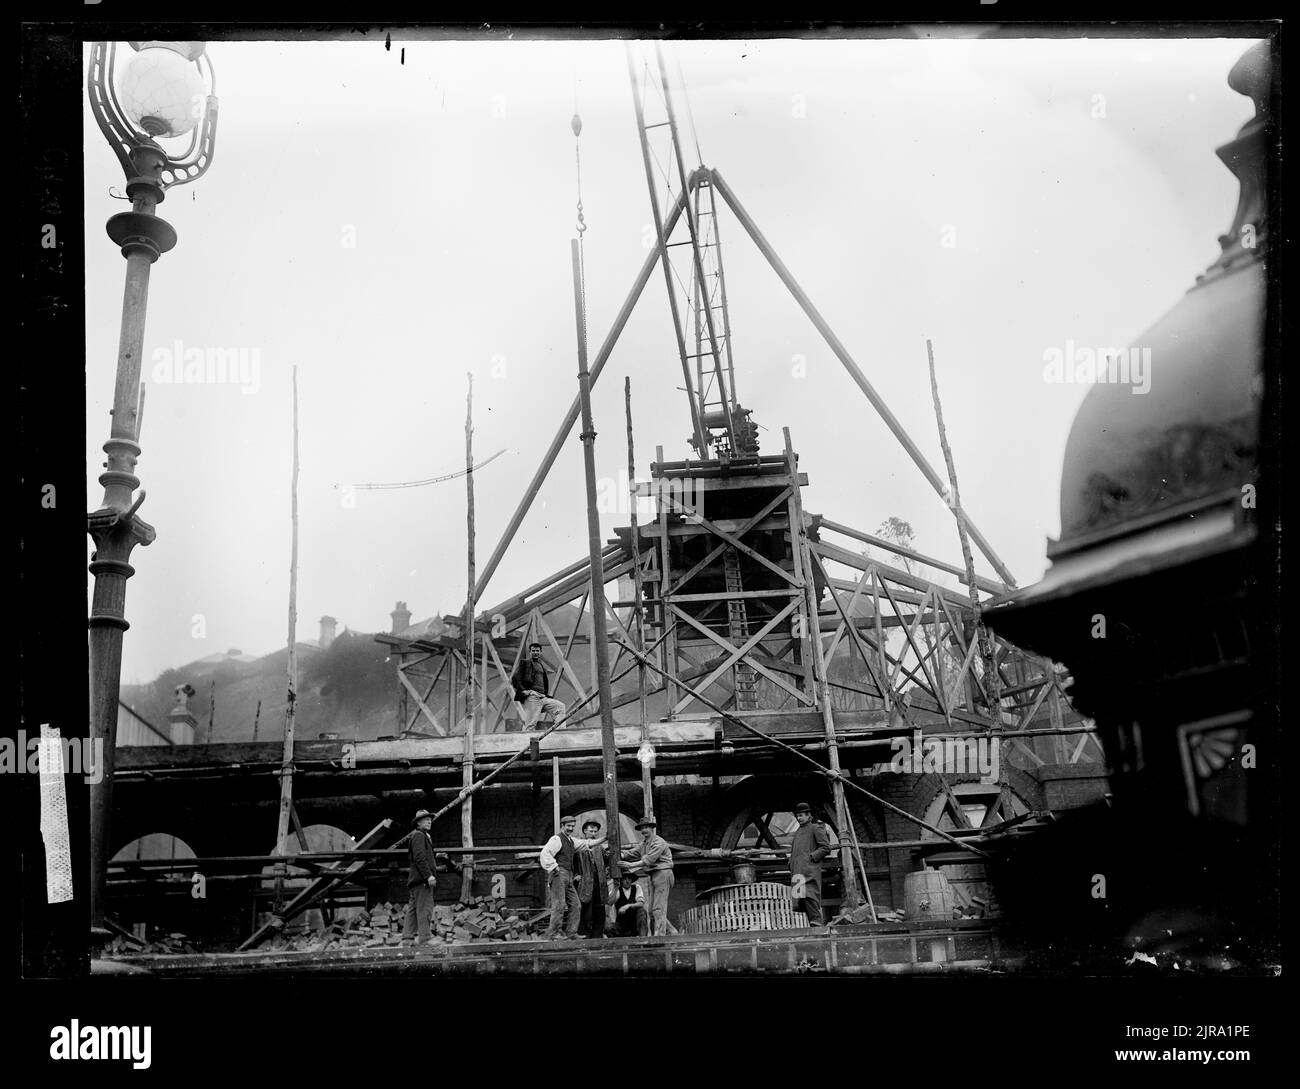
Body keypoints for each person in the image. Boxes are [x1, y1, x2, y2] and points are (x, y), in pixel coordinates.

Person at [538, 813, 605, 940]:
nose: (570, 828)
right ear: (562, 826)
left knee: (576, 904)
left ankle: (571, 932)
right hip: (559, 874)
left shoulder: (571, 841)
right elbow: (545, 853)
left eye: (572, 826)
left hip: (568, 875)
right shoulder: (556, 839)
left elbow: (587, 843)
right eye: (568, 826)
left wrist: (604, 838)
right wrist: (553, 866)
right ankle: (553, 933)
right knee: (559, 905)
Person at [621, 815, 675, 935]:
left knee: (658, 908)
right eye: (642, 828)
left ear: (651, 828)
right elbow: (632, 853)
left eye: (646, 827)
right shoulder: (644, 844)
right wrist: (620, 854)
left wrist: (631, 866)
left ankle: (660, 936)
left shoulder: (658, 842)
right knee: (651, 910)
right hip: (653, 875)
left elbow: (649, 860)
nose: (644, 830)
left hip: (663, 873)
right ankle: (672, 931)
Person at [789, 801, 832, 927]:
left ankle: (817, 923)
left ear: (809, 815)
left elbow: (825, 847)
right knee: (801, 899)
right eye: (797, 815)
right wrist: (791, 863)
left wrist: (811, 857)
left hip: (809, 869)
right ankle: (813, 924)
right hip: (797, 870)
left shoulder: (815, 828)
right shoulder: (797, 832)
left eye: (801, 815)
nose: (799, 818)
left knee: (809, 895)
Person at [402, 809, 439, 943]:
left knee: (413, 909)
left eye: (430, 819)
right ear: (418, 822)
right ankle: (425, 938)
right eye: (425, 819)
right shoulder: (419, 835)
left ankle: (407, 937)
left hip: (416, 880)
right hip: (422, 880)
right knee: (425, 908)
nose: (429, 821)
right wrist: (428, 876)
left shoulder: (421, 835)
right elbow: (419, 857)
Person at [511, 642, 567, 729]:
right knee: (531, 724)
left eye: (537, 651)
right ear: (530, 652)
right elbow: (515, 678)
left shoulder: (541, 665)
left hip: (543, 697)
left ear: (540, 652)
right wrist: (524, 690)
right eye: (533, 651)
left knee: (560, 706)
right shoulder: (525, 663)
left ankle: (559, 731)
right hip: (532, 697)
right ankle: (526, 741)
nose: (535, 652)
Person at [574, 818, 610, 939]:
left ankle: (597, 936)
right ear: (585, 831)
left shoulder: (599, 847)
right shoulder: (578, 846)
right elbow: (570, 863)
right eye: (591, 831)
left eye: (595, 831)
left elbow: (607, 860)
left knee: (599, 909)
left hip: (599, 882)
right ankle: (583, 935)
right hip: (585, 883)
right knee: (584, 909)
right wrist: (575, 875)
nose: (594, 834)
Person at [608, 869, 649, 937]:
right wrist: (615, 888)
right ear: (621, 880)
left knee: (642, 911)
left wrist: (628, 906)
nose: (627, 881)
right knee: (608, 928)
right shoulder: (618, 890)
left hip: (634, 925)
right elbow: (609, 902)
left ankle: (643, 940)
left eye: (629, 879)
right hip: (621, 925)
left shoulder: (636, 887)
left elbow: (641, 903)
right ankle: (618, 944)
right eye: (625, 879)